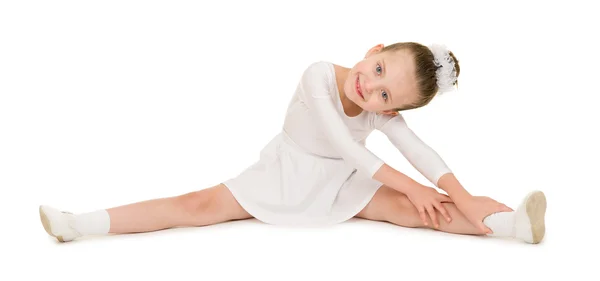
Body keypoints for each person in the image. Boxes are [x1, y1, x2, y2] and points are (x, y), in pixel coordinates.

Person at [38, 42, 547, 244]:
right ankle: (79, 224)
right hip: (287, 170)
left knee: (421, 211)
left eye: (385, 93)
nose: (370, 86)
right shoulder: (318, 76)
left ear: (390, 108)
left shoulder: (378, 111)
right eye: (378, 70)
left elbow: (419, 152)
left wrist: (460, 195)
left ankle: (511, 225)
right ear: (374, 50)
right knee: (194, 205)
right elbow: (349, 148)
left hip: (346, 182)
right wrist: (412, 187)